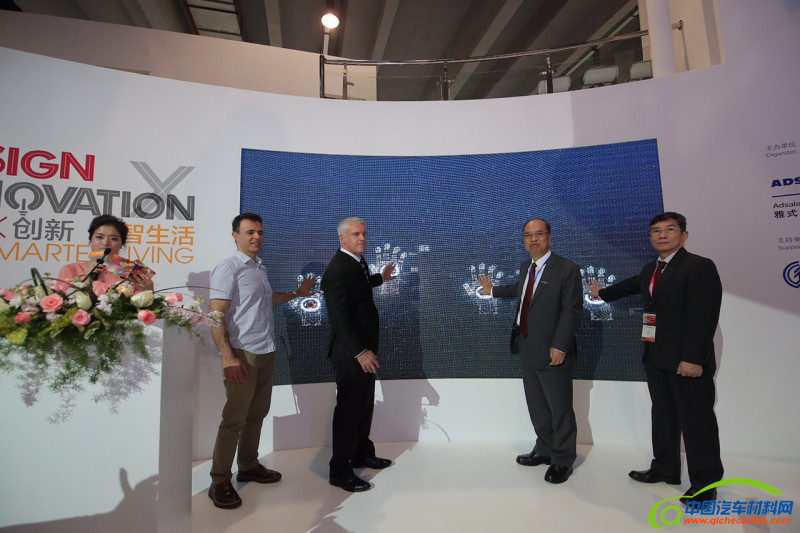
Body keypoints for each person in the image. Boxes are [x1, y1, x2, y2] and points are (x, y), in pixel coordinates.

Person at [587, 212, 723, 504]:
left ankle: (705, 485)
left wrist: (693, 358)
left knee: (697, 422)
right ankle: (665, 468)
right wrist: (602, 293)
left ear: (684, 235)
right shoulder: (652, 268)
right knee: (663, 415)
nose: (662, 235)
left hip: (687, 361)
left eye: (669, 229)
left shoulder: (699, 266)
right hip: (656, 356)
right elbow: (632, 285)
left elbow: (704, 316)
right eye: (656, 230)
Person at [207, 212, 315, 509]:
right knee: (234, 419)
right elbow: (215, 315)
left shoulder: (258, 267)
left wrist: (296, 293)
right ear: (235, 236)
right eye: (250, 232)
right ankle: (219, 481)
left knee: (256, 414)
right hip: (242, 353)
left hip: (266, 349)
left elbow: (266, 301)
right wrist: (227, 356)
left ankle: (248, 466)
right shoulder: (228, 268)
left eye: (260, 232)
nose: (257, 237)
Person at [478, 218, 582, 484]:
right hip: (526, 345)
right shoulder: (528, 267)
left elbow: (571, 311)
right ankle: (545, 449)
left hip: (553, 350)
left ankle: (562, 459)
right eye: (528, 235)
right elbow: (523, 290)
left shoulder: (567, 269)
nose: (533, 239)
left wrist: (560, 345)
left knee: (559, 407)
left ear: (549, 237)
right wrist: (493, 291)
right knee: (537, 405)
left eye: (538, 234)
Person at [322, 217, 396, 492]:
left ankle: (362, 454)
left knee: (363, 406)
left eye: (364, 234)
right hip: (352, 353)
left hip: (365, 350)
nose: (362, 238)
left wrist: (381, 278)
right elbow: (339, 318)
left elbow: (360, 286)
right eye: (356, 234)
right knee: (349, 411)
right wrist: (360, 352)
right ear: (342, 238)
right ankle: (340, 471)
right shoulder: (337, 269)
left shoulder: (356, 262)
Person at [58, 214, 153, 292]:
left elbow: (144, 305)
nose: (105, 243)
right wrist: (86, 277)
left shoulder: (132, 272)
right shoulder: (70, 269)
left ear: (121, 244)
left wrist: (149, 292)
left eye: (113, 239)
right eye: (99, 237)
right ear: (91, 240)